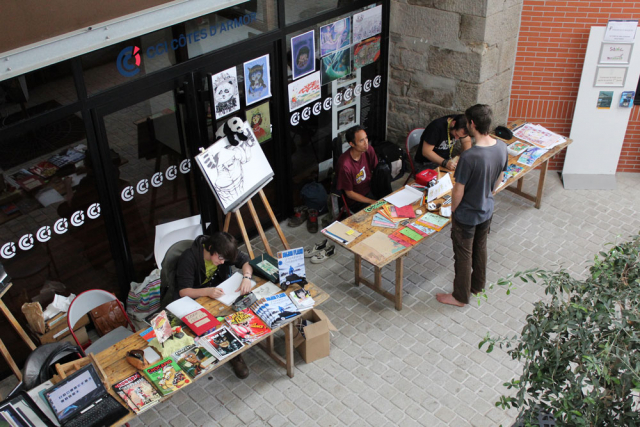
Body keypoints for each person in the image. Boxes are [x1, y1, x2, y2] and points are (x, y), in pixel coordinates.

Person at [436, 104, 508, 307]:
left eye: (467, 122)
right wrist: (487, 193)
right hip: (487, 209)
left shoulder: (470, 156)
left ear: (473, 124)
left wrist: (452, 209)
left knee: (463, 255)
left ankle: (459, 296)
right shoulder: (501, 147)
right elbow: (498, 180)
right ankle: (477, 286)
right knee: (481, 247)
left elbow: (458, 190)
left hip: (467, 215)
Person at [174, 231, 253, 378]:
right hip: (194, 298)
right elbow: (183, 291)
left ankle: (234, 353)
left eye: (225, 259)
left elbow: (247, 262)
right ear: (210, 248)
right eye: (220, 258)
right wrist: (207, 291)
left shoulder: (223, 252)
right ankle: (215, 355)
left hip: (217, 295)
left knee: (237, 314)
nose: (223, 262)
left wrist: (247, 278)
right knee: (210, 326)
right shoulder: (189, 258)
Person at [336, 125, 385, 212]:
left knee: (383, 169)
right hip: (356, 200)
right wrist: (372, 201)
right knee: (379, 213)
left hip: (370, 189)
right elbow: (349, 193)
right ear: (352, 144)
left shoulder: (369, 150)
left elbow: (377, 171)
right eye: (361, 141)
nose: (366, 143)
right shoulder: (345, 165)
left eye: (366, 138)